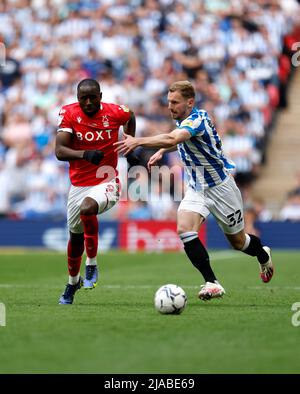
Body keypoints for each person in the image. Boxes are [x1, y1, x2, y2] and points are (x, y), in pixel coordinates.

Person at [115, 80, 274, 300]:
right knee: (184, 228)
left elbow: (175, 136)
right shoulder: (186, 121)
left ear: (190, 102)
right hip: (197, 188)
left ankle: (263, 254)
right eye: (169, 101)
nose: (170, 106)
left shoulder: (197, 120)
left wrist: (138, 141)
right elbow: (177, 140)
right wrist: (162, 150)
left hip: (221, 189)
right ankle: (212, 282)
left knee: (239, 242)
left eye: (175, 102)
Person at [55, 78, 136, 304]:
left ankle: (92, 264)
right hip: (79, 184)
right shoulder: (69, 114)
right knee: (74, 237)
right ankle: (72, 283)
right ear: (77, 98)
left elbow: (130, 115)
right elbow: (60, 150)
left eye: (93, 97)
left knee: (88, 208)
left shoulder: (114, 112)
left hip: (107, 180)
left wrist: (129, 141)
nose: (88, 102)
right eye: (83, 98)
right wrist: (85, 154)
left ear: (100, 96)